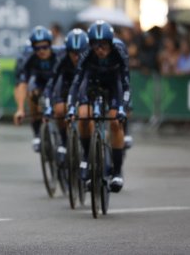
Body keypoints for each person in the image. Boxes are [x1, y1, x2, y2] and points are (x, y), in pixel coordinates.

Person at [66, 20, 130, 193]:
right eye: (96, 45)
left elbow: (125, 84)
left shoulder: (119, 53)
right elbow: (77, 82)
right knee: (84, 115)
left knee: (116, 123)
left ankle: (116, 172)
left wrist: (123, 107)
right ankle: (87, 156)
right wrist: (71, 107)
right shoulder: (86, 54)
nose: (100, 50)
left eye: (104, 45)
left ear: (110, 43)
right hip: (91, 83)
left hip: (113, 85)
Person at [13, 25, 64, 152]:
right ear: (33, 48)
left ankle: (65, 139)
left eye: (45, 47)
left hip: (58, 83)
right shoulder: (29, 58)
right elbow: (22, 84)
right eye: (37, 48)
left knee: (60, 110)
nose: (41, 51)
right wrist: (20, 109)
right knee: (32, 93)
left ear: (51, 45)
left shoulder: (60, 54)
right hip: (40, 83)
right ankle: (37, 133)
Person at [43, 28, 89, 161]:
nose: (76, 57)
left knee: (86, 115)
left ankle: (89, 149)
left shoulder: (90, 57)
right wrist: (47, 105)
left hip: (87, 84)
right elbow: (51, 84)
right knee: (59, 110)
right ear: (67, 51)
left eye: (80, 53)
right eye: (73, 53)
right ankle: (64, 141)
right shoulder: (61, 57)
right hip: (67, 84)